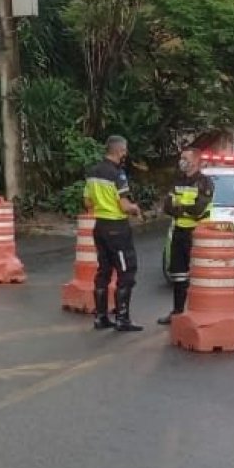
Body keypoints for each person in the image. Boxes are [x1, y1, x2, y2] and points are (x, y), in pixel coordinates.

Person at [85, 135, 145, 332]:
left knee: (104, 271)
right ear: (119, 151)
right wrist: (135, 209)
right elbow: (124, 205)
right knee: (126, 271)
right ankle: (122, 319)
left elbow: (87, 202)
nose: (125, 154)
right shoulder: (117, 174)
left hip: (100, 226)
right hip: (117, 228)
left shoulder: (93, 172)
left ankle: (101, 317)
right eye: (124, 151)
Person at [158, 149, 215, 325]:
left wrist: (179, 205)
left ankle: (200, 313)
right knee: (178, 274)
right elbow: (167, 206)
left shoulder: (204, 182)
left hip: (198, 234)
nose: (181, 161)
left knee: (199, 276)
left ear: (196, 162)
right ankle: (177, 312)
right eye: (181, 158)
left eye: (185, 158)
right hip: (179, 232)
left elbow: (198, 210)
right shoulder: (178, 181)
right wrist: (183, 207)